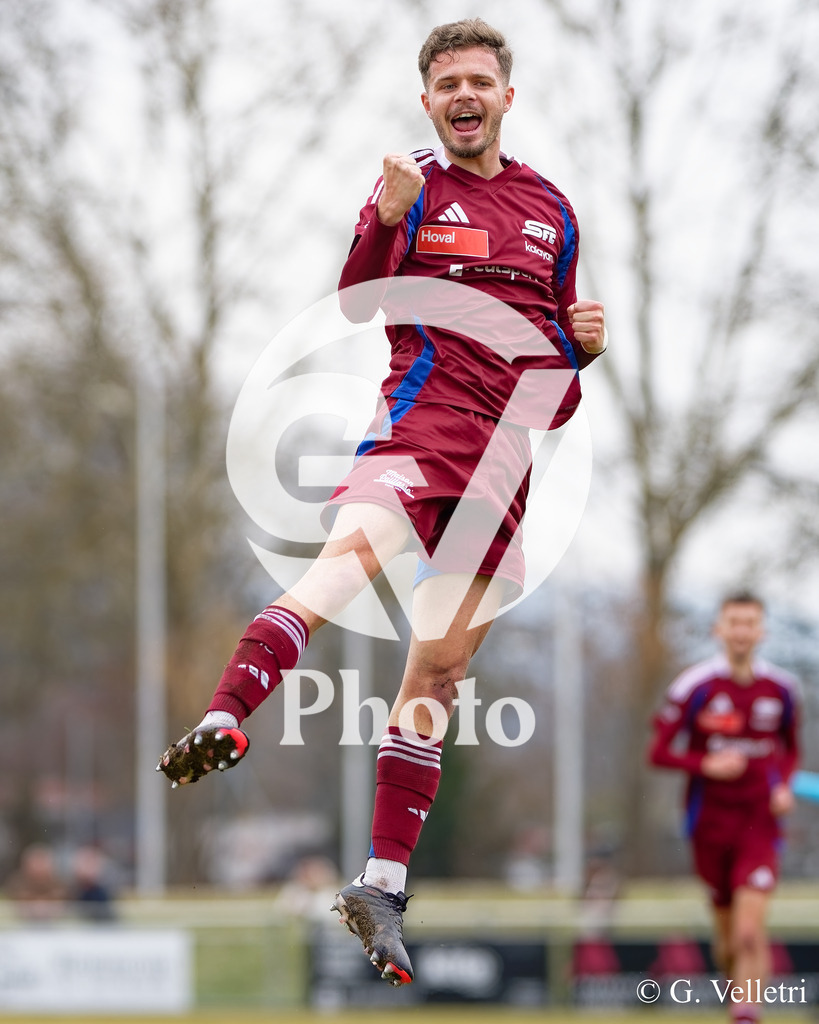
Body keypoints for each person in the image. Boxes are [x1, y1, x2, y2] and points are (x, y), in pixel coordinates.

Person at [158, 18, 606, 986]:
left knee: (437, 677)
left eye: (478, 80)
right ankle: (226, 715)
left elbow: (552, 394)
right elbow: (357, 303)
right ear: (428, 100)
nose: (463, 95)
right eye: (447, 83)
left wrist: (582, 356)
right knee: (348, 560)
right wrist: (381, 219)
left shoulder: (552, 212)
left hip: (503, 465)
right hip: (418, 429)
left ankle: (381, 886)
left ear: (506, 95)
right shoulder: (410, 186)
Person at [648, 592, 800, 1024]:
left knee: (750, 933)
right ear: (719, 629)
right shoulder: (694, 687)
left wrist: (783, 785)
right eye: (734, 622)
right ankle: (741, 1005)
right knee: (730, 942)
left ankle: (747, 1015)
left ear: (761, 631)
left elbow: (790, 751)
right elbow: (658, 753)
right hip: (710, 825)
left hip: (760, 824)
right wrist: (705, 764)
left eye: (749, 623)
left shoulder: (782, 690)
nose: (741, 631)